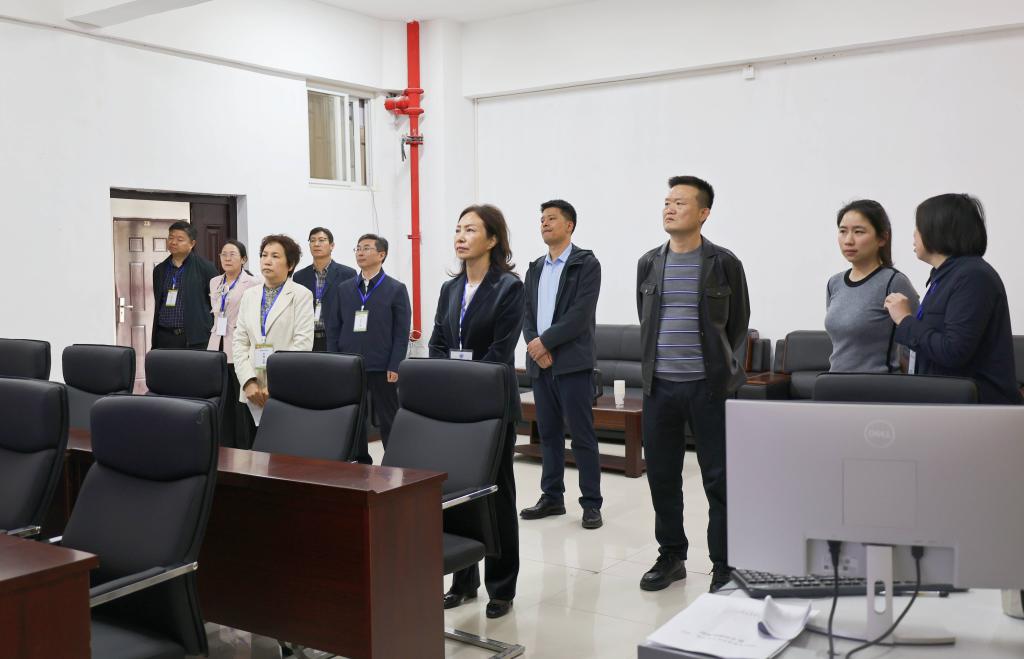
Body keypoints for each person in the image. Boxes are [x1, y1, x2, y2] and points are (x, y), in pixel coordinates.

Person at [636, 175, 749, 593]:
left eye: (680, 203)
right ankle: (671, 557)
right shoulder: (649, 262)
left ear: (703, 213)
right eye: (667, 202)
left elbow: (738, 325)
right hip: (659, 388)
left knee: (718, 479)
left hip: (709, 388)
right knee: (662, 476)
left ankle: (724, 565)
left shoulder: (724, 263)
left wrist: (723, 371)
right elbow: (646, 320)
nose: (669, 208)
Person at [429, 204, 524, 619]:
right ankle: (463, 581)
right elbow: (437, 342)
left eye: (470, 229)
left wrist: (461, 383)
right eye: (458, 229)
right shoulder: (450, 289)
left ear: (493, 239)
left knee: (496, 497)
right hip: (453, 409)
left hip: (490, 407)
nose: (461, 236)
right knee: (456, 497)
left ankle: (501, 587)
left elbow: (500, 352)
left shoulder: (508, 287)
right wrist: (448, 383)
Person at [885, 193, 1022, 404]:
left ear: (938, 229)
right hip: (947, 402)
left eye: (919, 226)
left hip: (975, 409)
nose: (914, 234)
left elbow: (953, 351)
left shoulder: (973, 276)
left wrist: (905, 320)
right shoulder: (945, 276)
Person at [519, 199, 604, 529]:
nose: (544, 223)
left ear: (569, 225)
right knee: (549, 434)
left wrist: (546, 342)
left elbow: (580, 315)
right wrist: (534, 346)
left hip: (572, 364)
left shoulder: (586, 264)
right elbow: (527, 314)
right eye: (542, 219)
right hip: (541, 364)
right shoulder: (535, 268)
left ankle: (591, 503)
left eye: (551, 218)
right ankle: (552, 496)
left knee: (582, 435)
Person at [326, 234, 411, 463]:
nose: (360, 252)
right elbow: (333, 327)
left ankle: (395, 461)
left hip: (382, 365)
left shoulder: (396, 289)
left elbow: (401, 332)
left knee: (389, 416)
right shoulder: (344, 289)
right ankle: (359, 460)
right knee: (354, 416)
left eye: (366, 248)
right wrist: (336, 360)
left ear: (381, 255)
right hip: (350, 364)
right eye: (358, 248)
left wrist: (395, 364)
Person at [825, 200, 918, 373]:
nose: (848, 240)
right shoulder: (834, 283)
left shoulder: (894, 281)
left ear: (882, 238)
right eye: (843, 231)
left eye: (858, 232)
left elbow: (914, 341)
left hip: (878, 383)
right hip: (835, 381)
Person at [233, 235, 315, 425]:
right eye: (264, 255)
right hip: (251, 390)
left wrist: (276, 385)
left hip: (285, 387)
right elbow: (239, 343)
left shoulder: (301, 295)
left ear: (290, 264)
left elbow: (302, 346)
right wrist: (248, 381)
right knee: (253, 442)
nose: (267, 260)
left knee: (284, 440)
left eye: (275, 256)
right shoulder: (249, 295)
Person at [207, 240, 261, 448]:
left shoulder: (253, 283)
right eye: (223, 254)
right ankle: (223, 443)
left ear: (243, 259)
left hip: (238, 346)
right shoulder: (214, 282)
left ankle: (243, 444)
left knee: (239, 399)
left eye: (232, 254)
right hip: (216, 344)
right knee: (221, 399)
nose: (227, 258)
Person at [152, 220, 218, 349]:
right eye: (171, 238)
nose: (173, 242)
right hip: (164, 337)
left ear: (192, 244)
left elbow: (216, 303)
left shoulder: (206, 268)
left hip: (195, 339)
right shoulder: (160, 270)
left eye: (179, 239)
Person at [293, 227, 357, 352]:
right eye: (312, 240)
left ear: (332, 246)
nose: (316, 244)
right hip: (307, 339)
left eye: (321, 240)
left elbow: (351, 308)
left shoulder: (347, 274)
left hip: (336, 338)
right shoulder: (299, 276)